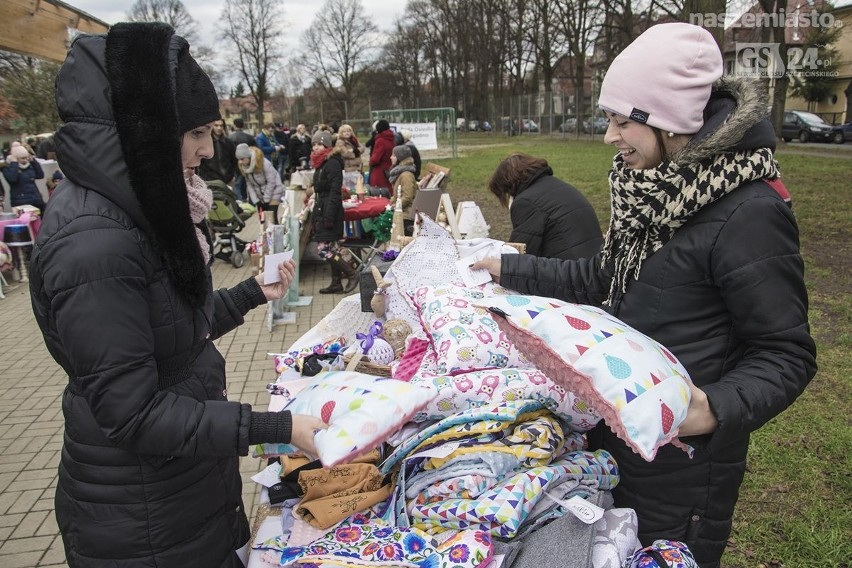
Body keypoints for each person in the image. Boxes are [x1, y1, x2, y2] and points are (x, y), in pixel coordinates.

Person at [472, 23, 816, 567]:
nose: (609, 137)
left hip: (682, 465)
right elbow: (604, 277)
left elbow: (787, 352)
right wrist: (508, 268)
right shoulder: (655, 193)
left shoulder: (748, 212)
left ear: (671, 122)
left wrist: (712, 410)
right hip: (624, 436)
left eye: (621, 120)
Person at [31, 23, 326, 567]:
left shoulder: (134, 213)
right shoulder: (95, 243)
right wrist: (276, 429)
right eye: (196, 135)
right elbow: (133, 412)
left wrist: (248, 295)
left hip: (178, 494)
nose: (208, 151)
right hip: (142, 520)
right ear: (148, 133)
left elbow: (165, 333)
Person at [488, 152, 603, 260]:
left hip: (572, 271)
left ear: (507, 186)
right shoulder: (555, 185)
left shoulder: (525, 202)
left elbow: (520, 255)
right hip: (593, 263)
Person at [310, 130, 359, 294]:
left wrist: (328, 216)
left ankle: (352, 274)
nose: (315, 147)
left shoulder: (332, 163)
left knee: (324, 250)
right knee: (332, 248)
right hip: (321, 208)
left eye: (319, 144)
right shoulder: (321, 163)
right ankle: (336, 283)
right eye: (314, 144)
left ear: (326, 145)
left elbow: (334, 192)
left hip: (330, 211)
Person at [235, 142, 284, 224]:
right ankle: (265, 235)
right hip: (261, 195)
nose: (240, 162)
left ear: (248, 157)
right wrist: (257, 201)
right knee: (262, 220)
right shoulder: (244, 166)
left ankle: (277, 235)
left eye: (242, 159)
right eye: (238, 159)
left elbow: (271, 182)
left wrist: (266, 200)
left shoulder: (264, 163)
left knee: (271, 218)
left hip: (274, 191)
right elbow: (249, 185)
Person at [2, 144, 46, 213]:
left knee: (41, 221)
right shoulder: (7, 167)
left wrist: (33, 161)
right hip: (20, 202)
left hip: (36, 199)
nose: (25, 160)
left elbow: (40, 175)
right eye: (22, 158)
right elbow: (12, 179)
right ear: (15, 158)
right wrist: (14, 163)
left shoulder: (30, 165)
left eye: (26, 157)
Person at [388, 144, 418, 236]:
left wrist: (394, 207)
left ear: (399, 158)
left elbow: (407, 197)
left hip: (406, 215)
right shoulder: (400, 173)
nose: (391, 157)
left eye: (393, 155)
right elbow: (398, 195)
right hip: (401, 211)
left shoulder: (406, 175)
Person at [198, 118, 238, 186]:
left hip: (228, 181)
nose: (219, 128)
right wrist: (205, 179)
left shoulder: (229, 142)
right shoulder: (204, 143)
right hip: (211, 182)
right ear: (212, 126)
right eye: (216, 125)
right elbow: (200, 163)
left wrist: (233, 176)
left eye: (221, 125)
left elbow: (234, 161)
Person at [334, 123, 364, 191]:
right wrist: (356, 153)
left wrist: (354, 150)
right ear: (341, 133)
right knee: (350, 189)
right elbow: (345, 153)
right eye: (344, 131)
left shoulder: (354, 140)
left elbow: (362, 148)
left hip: (357, 168)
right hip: (348, 169)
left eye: (348, 131)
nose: (347, 133)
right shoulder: (340, 142)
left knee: (359, 188)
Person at [368, 119, 394, 194]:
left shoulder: (380, 140)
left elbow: (375, 159)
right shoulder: (392, 138)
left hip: (380, 171)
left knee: (379, 193)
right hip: (389, 168)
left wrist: (371, 162)